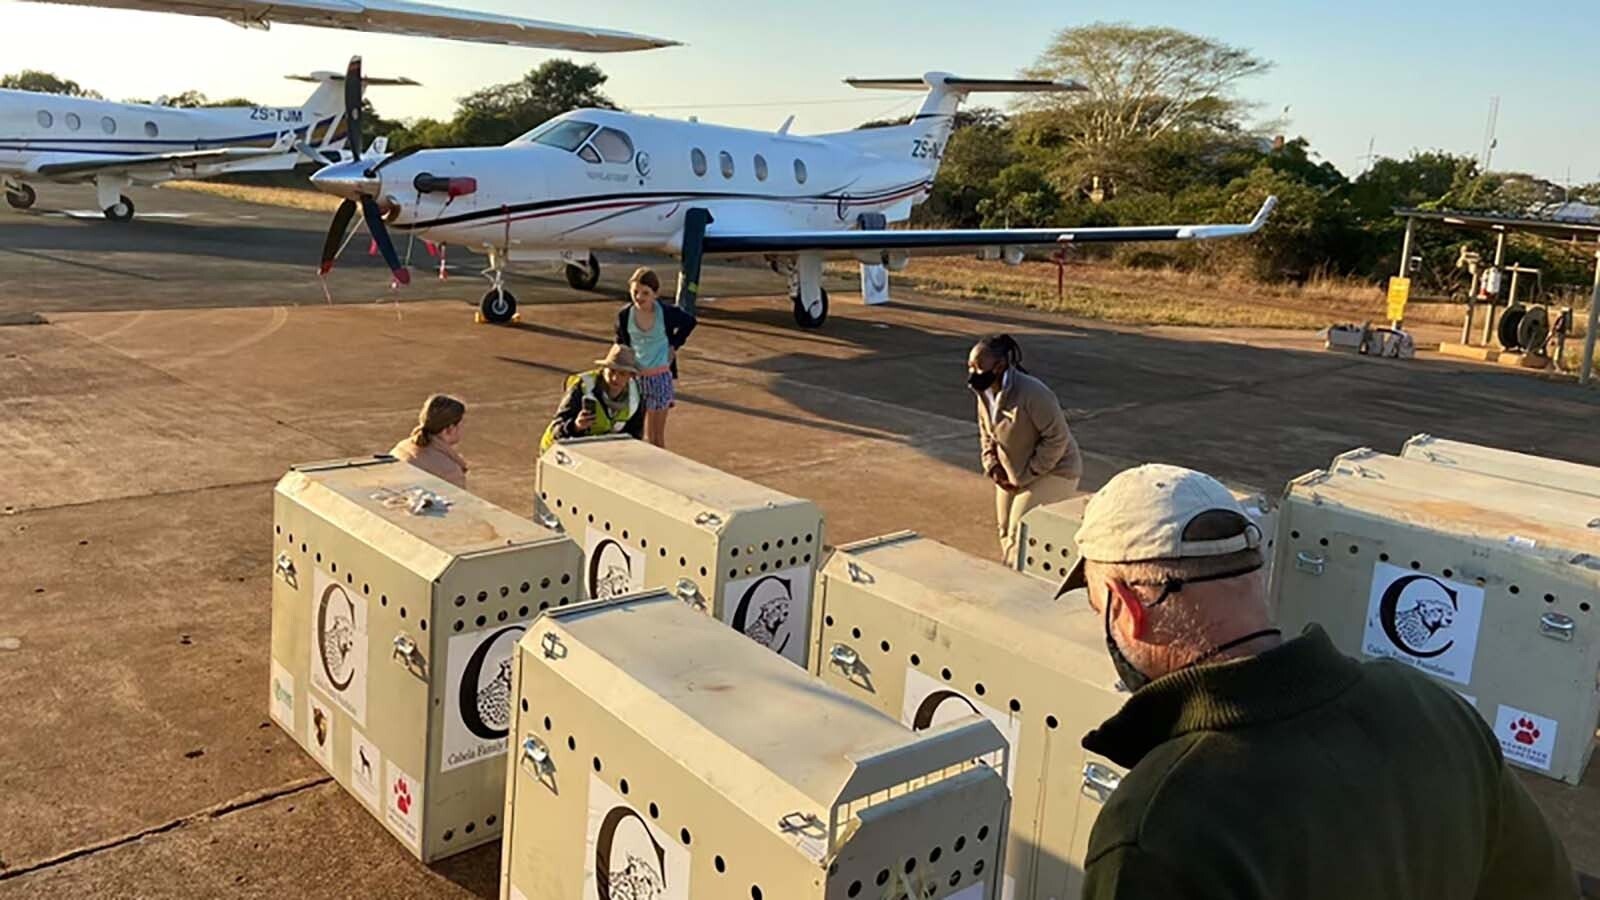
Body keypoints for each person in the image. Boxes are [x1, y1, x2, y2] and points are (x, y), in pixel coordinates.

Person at [1057, 464, 1577, 900]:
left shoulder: (1158, 829)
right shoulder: (1432, 708)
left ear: (1127, 610)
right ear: (1254, 577)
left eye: (1096, 602)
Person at [968, 333, 1081, 567]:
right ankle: (1013, 574)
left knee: (1020, 532)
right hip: (1014, 472)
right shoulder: (984, 393)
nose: (972, 374)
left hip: (1055, 470)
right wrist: (993, 466)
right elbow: (987, 434)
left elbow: (1057, 439)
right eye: (969, 366)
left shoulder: (1033, 393)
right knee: (1004, 528)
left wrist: (1028, 475)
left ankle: (1018, 584)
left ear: (999, 366)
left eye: (979, 368)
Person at [614, 266, 695, 448]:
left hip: (659, 378)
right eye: (635, 292)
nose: (639, 297)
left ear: (655, 295)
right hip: (635, 379)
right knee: (633, 432)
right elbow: (621, 343)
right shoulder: (625, 315)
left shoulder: (665, 313)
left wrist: (674, 345)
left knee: (655, 437)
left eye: (645, 293)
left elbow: (690, 322)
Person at [540, 344, 645, 452]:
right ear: (603, 369)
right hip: (556, 450)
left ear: (631, 376)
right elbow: (556, 428)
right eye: (612, 371)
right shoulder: (582, 387)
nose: (615, 378)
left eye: (622, 374)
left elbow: (634, 435)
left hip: (593, 450)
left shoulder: (635, 396)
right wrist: (576, 426)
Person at [390, 393, 468, 488]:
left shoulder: (402, 447)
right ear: (449, 429)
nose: (464, 427)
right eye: (462, 423)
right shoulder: (450, 472)